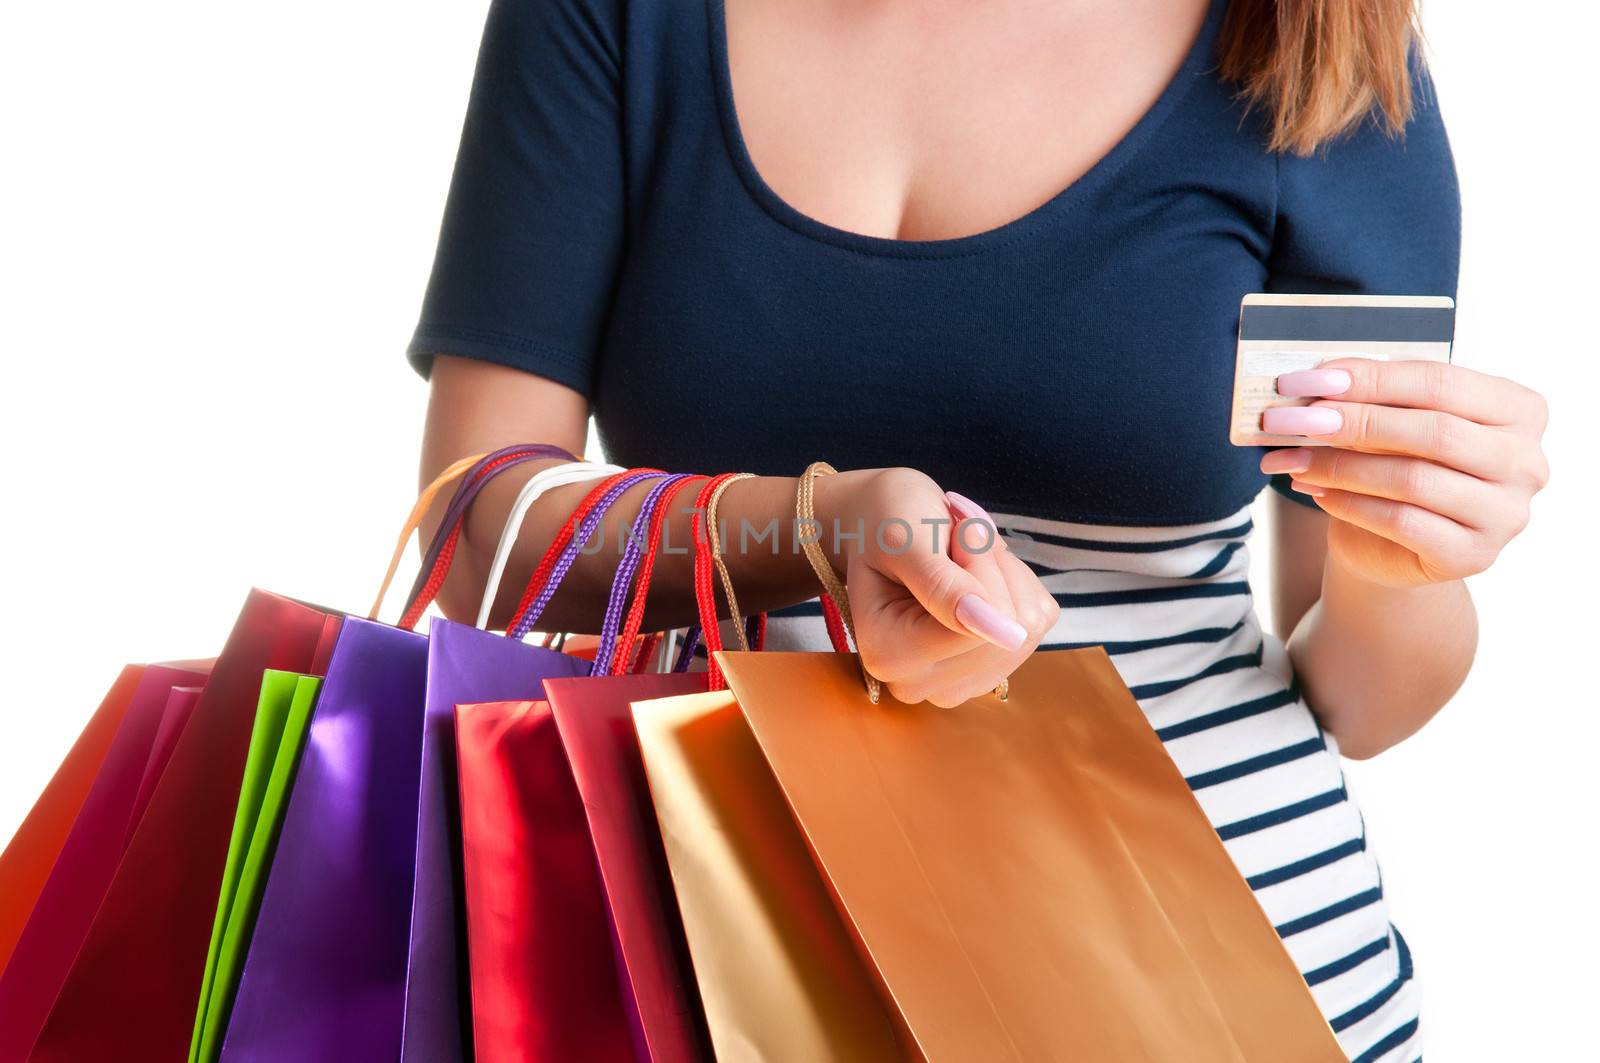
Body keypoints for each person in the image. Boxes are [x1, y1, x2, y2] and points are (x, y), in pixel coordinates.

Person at [407, 0, 1549, 1056]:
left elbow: (1359, 699)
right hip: (707, 961)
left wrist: (1395, 566)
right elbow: (477, 538)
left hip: (1215, 971)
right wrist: (814, 529)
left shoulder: (1313, 41)